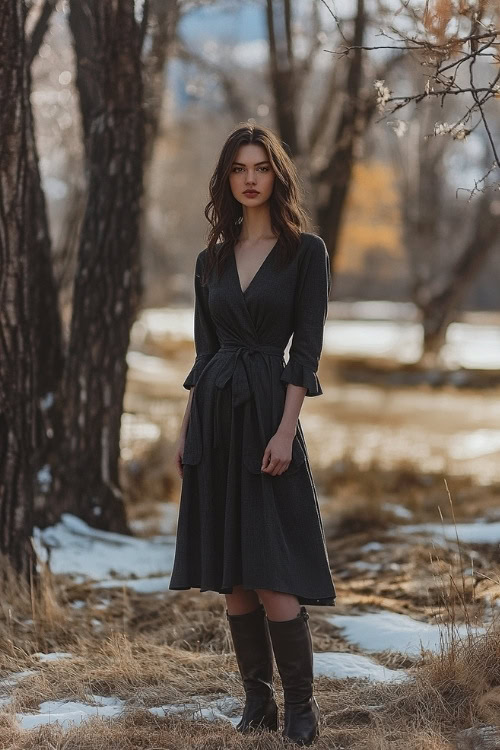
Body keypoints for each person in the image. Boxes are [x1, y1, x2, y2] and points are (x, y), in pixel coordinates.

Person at [169, 122, 336, 747]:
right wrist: (188, 433)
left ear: (276, 175)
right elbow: (204, 352)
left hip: (269, 409)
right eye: (239, 168)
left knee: (273, 568)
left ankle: (301, 709)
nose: (249, 178)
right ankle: (257, 702)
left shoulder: (305, 252)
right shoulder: (208, 261)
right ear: (226, 178)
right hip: (215, 414)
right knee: (233, 571)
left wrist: (287, 429)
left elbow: (307, 353)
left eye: (260, 167)